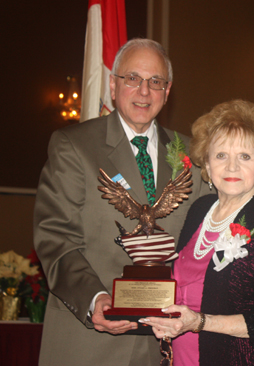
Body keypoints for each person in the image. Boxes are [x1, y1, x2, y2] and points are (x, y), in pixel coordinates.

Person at [33, 39, 210, 366]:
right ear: (113, 86)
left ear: (167, 91)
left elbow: (208, 243)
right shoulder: (74, 146)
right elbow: (55, 237)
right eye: (132, 78)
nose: (144, 91)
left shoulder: (194, 154)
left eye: (155, 81)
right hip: (90, 344)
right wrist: (94, 299)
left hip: (169, 346)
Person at [140, 100, 254, 365]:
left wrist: (199, 322)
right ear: (207, 163)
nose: (232, 167)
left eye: (245, 156)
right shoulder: (199, 210)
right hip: (180, 357)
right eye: (221, 155)